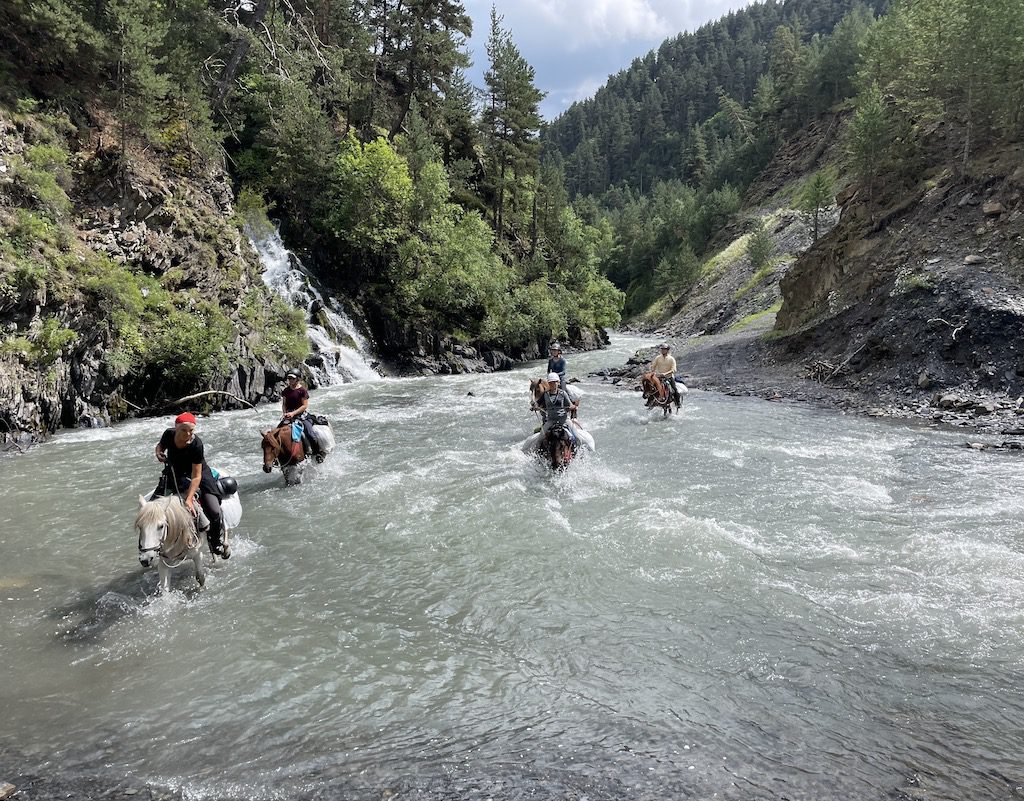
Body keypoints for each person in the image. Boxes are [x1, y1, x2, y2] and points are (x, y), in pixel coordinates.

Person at [153, 412, 228, 558]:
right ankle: (151, 545)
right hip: (175, 472)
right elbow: (160, 446)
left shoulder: (196, 444)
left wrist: (189, 498)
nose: (188, 434)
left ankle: (215, 541)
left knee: (214, 511)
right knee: (150, 508)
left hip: (199, 474)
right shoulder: (168, 434)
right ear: (176, 428)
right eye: (183, 430)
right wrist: (159, 453)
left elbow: (196, 476)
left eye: (191, 431)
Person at [280, 369, 322, 461]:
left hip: (301, 416)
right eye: (289, 378)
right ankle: (277, 457)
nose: (290, 380)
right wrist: (285, 413)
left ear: (297, 379)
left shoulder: (302, 391)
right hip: (289, 416)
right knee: (276, 434)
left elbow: (304, 406)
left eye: (292, 378)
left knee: (310, 434)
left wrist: (293, 413)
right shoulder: (286, 391)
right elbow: (284, 404)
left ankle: (317, 453)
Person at [532, 371, 577, 445]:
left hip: (564, 420)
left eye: (555, 382)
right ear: (549, 384)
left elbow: (570, 404)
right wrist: (535, 407)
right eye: (551, 383)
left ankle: (580, 452)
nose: (553, 384)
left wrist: (572, 407)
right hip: (551, 420)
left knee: (577, 437)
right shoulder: (545, 395)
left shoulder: (563, 393)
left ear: (558, 383)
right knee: (539, 440)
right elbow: (538, 403)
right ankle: (536, 455)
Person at [650, 342, 681, 408]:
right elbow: (653, 366)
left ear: (667, 350)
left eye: (664, 349)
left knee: (674, 390)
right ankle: (650, 402)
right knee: (651, 388)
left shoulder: (671, 359)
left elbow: (673, 370)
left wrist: (665, 373)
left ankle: (678, 403)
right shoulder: (658, 358)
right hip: (659, 377)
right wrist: (652, 371)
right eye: (662, 349)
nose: (662, 350)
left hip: (668, 377)